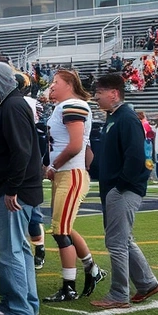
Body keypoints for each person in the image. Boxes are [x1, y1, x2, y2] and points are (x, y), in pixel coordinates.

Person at [0, 62, 43, 315]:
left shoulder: (13, 107)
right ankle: (23, 303)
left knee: (8, 250)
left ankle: (20, 309)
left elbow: (22, 150)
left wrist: (12, 188)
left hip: (12, 192)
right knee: (19, 250)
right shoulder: (8, 106)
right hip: (12, 188)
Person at [91, 74, 158, 309]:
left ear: (113, 93)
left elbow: (136, 156)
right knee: (123, 240)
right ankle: (147, 283)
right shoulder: (115, 117)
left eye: (99, 92)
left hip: (122, 189)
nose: (96, 97)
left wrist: (120, 186)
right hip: (117, 188)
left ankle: (119, 293)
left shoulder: (126, 118)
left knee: (116, 242)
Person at [42, 70, 106, 302]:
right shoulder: (67, 106)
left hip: (69, 173)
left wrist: (54, 166)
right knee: (64, 227)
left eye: (55, 82)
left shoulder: (72, 105)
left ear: (69, 84)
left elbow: (76, 145)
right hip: (69, 173)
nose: (51, 86)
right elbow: (87, 150)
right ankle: (92, 268)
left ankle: (69, 286)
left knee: (60, 231)